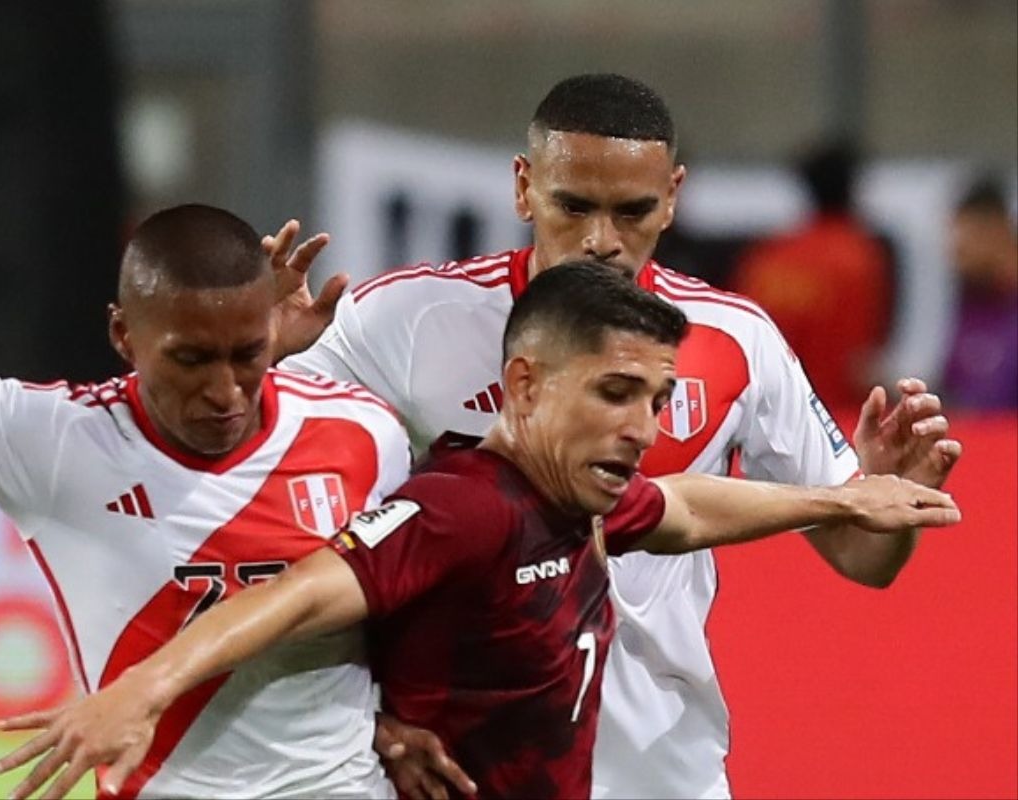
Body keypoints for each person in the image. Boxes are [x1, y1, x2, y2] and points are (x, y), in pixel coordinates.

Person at [0, 262, 960, 800]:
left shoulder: (572, 490)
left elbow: (690, 505)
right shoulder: (459, 505)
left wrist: (842, 498)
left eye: (658, 397)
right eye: (617, 392)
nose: (644, 426)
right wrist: (141, 688)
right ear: (527, 385)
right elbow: (292, 595)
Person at [272, 74, 962, 799]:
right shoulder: (404, 321)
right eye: (573, 206)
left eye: (632, 211)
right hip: (456, 772)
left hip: (665, 771)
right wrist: (267, 359)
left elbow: (864, 558)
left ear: (672, 197)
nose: (601, 241)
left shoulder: (737, 341)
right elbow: (277, 506)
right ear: (523, 186)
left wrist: (894, 496)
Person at [0, 204, 415, 799]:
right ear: (124, 335)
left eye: (247, 354)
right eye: (192, 359)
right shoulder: (54, 437)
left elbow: (430, 589)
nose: (224, 391)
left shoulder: (364, 432)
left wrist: (408, 716)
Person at [728, 139, 894, 411]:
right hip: (840, 418)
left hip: (769, 415)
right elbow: (859, 360)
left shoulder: (765, 258)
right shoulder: (860, 257)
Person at [940, 176, 1018, 409]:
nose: (953, 256)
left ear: (995, 231)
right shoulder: (969, 299)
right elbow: (954, 386)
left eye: (964, 247)